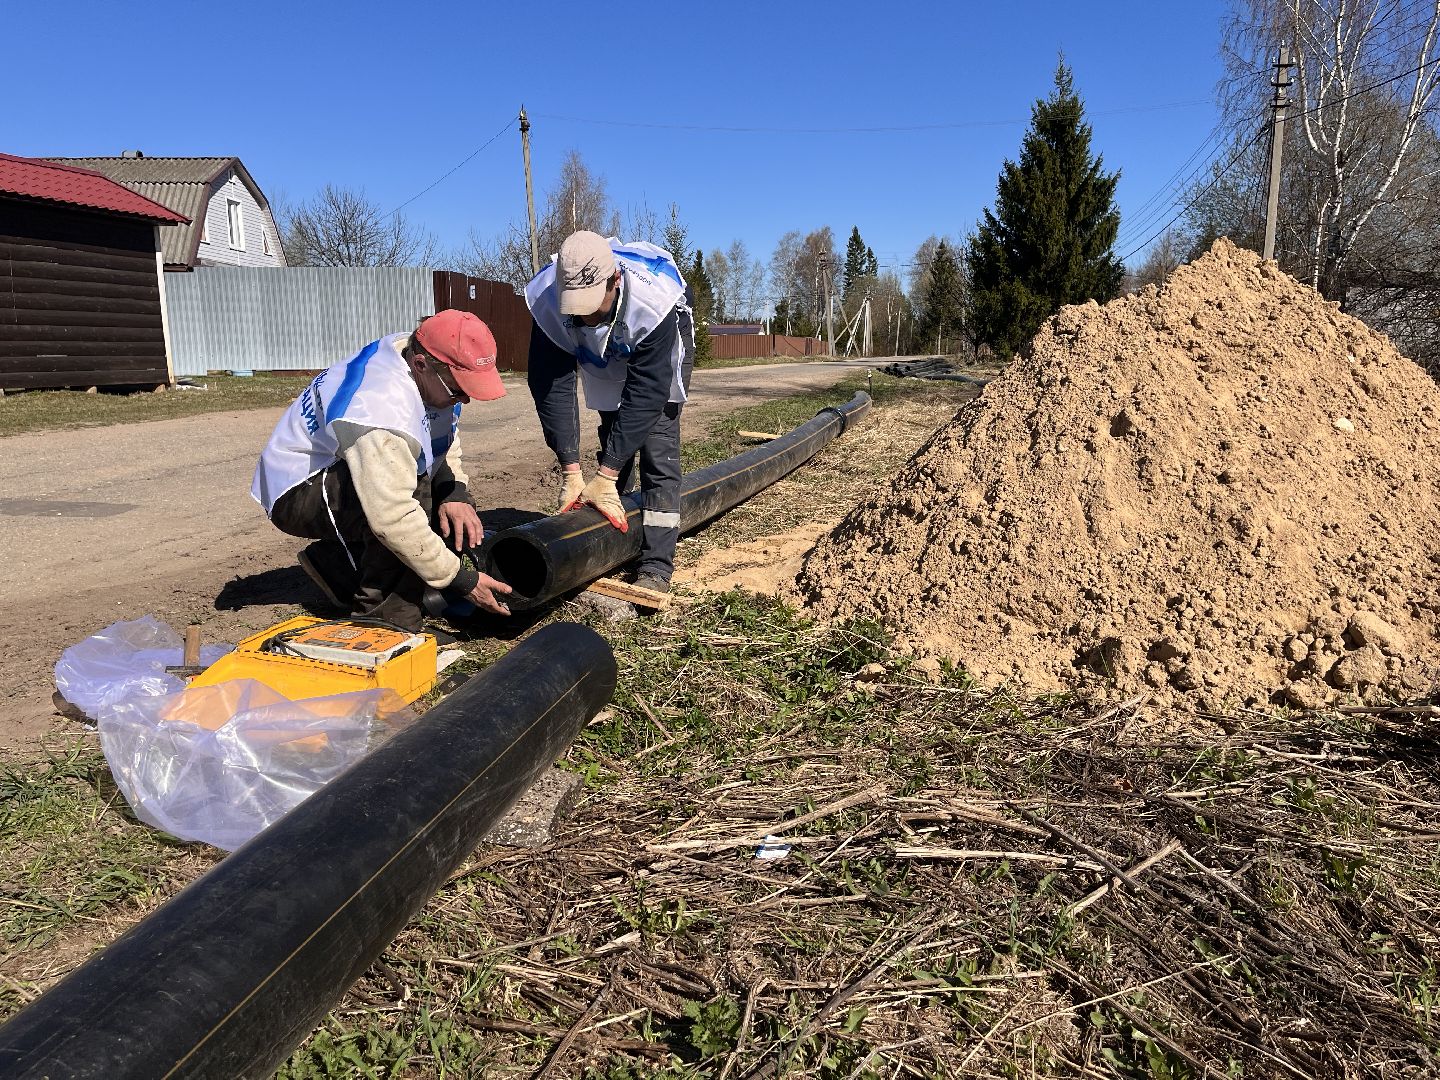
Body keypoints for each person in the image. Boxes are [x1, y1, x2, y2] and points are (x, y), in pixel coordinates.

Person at [251, 309, 513, 632]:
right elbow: (393, 515)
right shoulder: (381, 409)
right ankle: (385, 619)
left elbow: (441, 432)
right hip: (294, 489)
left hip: (339, 465)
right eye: (458, 390)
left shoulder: (420, 359)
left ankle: (338, 567)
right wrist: (461, 581)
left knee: (422, 486)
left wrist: (453, 491)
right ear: (421, 366)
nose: (464, 400)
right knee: (409, 495)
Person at [525, 230, 696, 595]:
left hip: (655, 334)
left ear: (614, 280)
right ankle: (607, 533)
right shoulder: (547, 300)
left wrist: (604, 474)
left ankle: (656, 563)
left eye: (591, 305)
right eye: (576, 308)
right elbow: (551, 385)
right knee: (612, 425)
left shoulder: (653, 305)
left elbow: (647, 394)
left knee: (656, 444)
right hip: (606, 343)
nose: (584, 318)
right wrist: (571, 468)